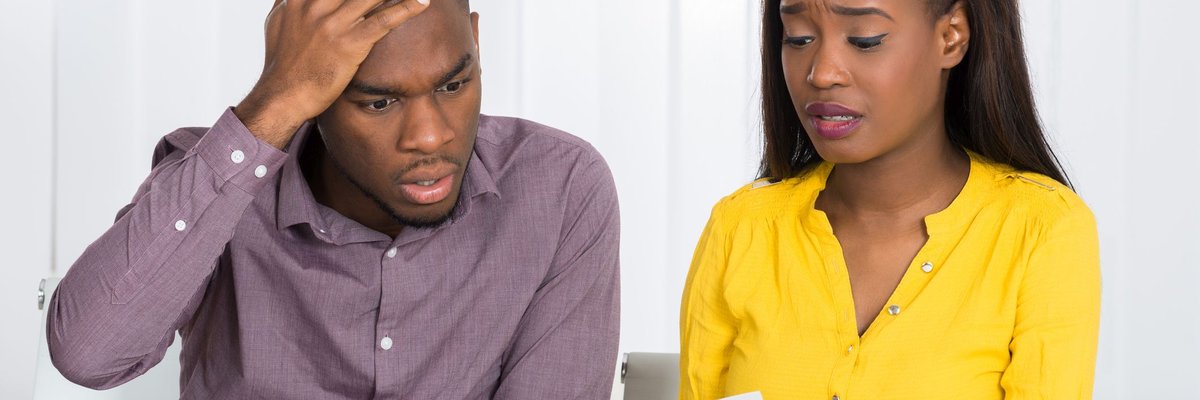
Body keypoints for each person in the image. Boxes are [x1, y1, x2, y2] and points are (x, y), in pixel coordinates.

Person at [46, 0, 620, 398]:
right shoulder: (214, 184)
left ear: (475, 38)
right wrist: (268, 108)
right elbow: (88, 356)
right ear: (310, 92)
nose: (430, 135)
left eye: (453, 84)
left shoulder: (560, 186)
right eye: (378, 103)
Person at [680, 0, 1100, 398]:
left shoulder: (1042, 231)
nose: (822, 73)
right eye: (798, 37)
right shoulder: (740, 228)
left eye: (865, 39)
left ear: (950, 37)